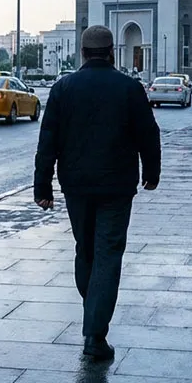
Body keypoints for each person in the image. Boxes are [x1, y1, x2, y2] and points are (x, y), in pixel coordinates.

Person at [34, 25, 161, 362]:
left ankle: (93, 314)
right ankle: (94, 334)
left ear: (82, 53)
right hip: (117, 188)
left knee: (85, 251)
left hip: (75, 186)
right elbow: (149, 134)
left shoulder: (63, 88)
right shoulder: (129, 88)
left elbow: (48, 141)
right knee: (107, 255)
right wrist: (152, 173)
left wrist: (42, 186)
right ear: (111, 53)